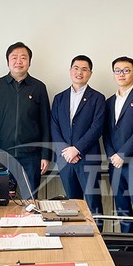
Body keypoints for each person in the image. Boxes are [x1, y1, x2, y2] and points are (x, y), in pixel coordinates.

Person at [0, 42, 51, 198]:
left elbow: (45, 123)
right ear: (8, 61)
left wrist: (46, 155)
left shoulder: (38, 87)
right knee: (2, 201)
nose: (18, 61)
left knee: (31, 200)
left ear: (29, 62)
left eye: (23, 58)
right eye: (14, 57)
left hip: (31, 155)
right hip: (3, 154)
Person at [51, 55, 106, 225]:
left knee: (93, 203)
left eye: (84, 69)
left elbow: (97, 127)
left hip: (88, 158)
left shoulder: (98, 98)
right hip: (65, 159)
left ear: (90, 73)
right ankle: (75, 238)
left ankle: (98, 239)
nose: (79, 72)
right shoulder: (59, 98)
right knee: (71, 204)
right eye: (76, 68)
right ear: (70, 71)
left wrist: (76, 149)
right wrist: (66, 151)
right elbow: (54, 126)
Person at [103, 56, 133, 233]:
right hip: (114, 163)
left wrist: (121, 155)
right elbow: (106, 133)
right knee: (122, 206)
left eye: (126, 70)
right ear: (113, 74)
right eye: (117, 71)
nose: (121, 74)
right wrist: (112, 155)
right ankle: (127, 243)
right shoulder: (109, 102)